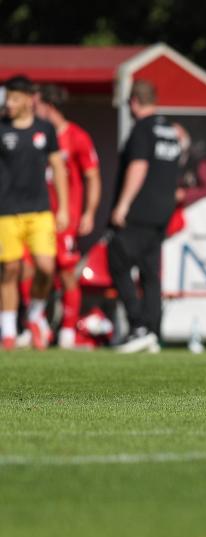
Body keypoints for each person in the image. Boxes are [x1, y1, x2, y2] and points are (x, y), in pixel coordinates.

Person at [23, 84, 101, 349]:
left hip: (65, 219)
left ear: (49, 107)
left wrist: (89, 212)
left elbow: (92, 177)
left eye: (37, 106)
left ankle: (68, 331)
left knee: (67, 274)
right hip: (35, 217)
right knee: (27, 270)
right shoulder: (35, 136)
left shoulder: (77, 137)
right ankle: (36, 323)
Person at [107, 80, 181, 353]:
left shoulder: (142, 128)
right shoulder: (170, 130)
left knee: (117, 262)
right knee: (151, 272)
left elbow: (138, 166)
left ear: (134, 101)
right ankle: (152, 331)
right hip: (162, 211)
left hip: (139, 210)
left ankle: (138, 326)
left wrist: (122, 204)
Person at [0, 75, 69, 350]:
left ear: (29, 99)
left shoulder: (45, 130)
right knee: (10, 269)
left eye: (15, 98)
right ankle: (7, 330)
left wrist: (63, 207)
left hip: (40, 211)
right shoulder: (1, 128)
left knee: (45, 267)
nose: (10, 103)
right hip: (6, 211)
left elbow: (59, 168)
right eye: (8, 97)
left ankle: (35, 314)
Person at [166, 122, 206, 237]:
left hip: (203, 222)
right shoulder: (172, 160)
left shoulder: (197, 159)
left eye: (177, 137)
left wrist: (184, 194)